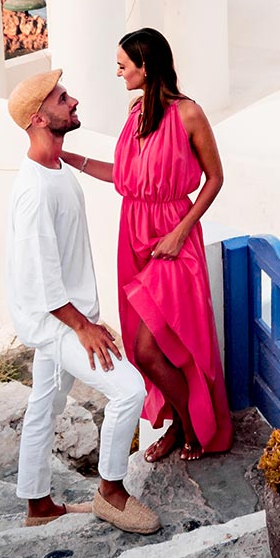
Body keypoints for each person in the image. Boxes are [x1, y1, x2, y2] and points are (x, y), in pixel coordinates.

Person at [63, 29, 233, 462]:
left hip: (173, 237)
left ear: (147, 66)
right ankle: (177, 425)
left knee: (150, 347)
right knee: (151, 345)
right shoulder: (136, 111)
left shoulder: (189, 113)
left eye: (123, 65)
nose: (117, 72)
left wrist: (180, 232)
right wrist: (69, 158)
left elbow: (215, 179)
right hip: (134, 233)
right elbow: (125, 176)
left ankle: (195, 428)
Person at [6, 68, 160, 533]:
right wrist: (83, 326)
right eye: (61, 98)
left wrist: (68, 156)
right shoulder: (34, 191)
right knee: (129, 390)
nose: (72, 102)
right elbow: (41, 276)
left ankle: (37, 506)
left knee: (46, 405)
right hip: (57, 321)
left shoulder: (52, 168)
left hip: (64, 316)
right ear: (38, 118)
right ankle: (111, 493)